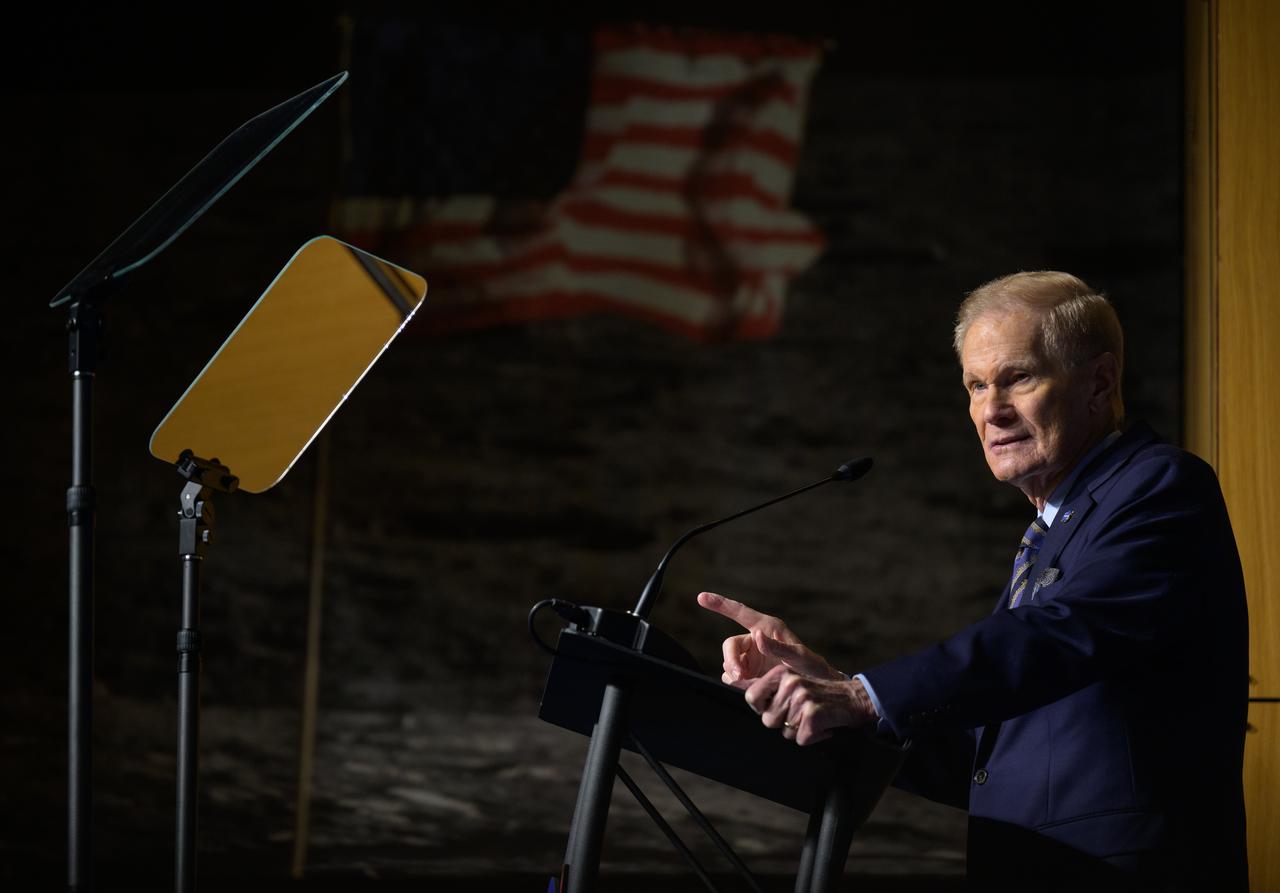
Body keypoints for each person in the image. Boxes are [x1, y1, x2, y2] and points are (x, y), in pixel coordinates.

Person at [697, 272, 1248, 890]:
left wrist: (865, 696)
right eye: (976, 385)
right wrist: (838, 692)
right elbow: (981, 760)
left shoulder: (1160, 485)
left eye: (1019, 378)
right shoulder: (1050, 532)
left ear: (1099, 382)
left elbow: (1064, 634)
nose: (991, 410)